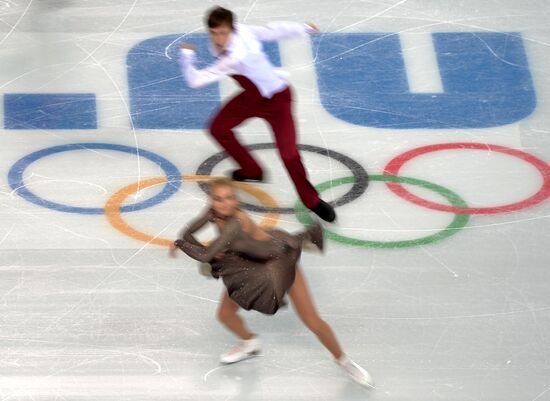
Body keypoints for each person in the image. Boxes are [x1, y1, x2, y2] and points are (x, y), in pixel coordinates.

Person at [169, 178, 374, 388]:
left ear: (236, 199)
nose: (225, 203)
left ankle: (344, 361)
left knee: (312, 320)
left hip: (278, 264)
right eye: (218, 199)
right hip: (249, 266)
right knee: (224, 315)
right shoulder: (212, 212)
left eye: (230, 198)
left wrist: (182, 245)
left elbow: (205, 255)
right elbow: (188, 234)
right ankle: (249, 342)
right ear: (211, 201)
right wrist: (192, 243)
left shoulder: (237, 221)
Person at [179, 6, 336, 222]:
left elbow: (195, 80)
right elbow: (271, 30)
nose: (218, 38)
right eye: (214, 33)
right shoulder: (240, 33)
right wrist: (303, 28)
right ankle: (251, 170)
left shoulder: (235, 56)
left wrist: (187, 55)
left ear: (231, 30)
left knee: (289, 154)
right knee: (218, 128)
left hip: (278, 101)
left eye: (223, 33)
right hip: (251, 98)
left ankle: (312, 201)